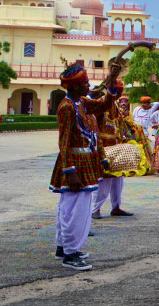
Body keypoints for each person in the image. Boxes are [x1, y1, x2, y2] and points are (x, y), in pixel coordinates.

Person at [50, 62, 121, 271]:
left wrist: (112, 80)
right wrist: (69, 171)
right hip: (75, 164)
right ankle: (70, 254)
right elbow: (63, 142)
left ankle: (65, 247)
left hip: (83, 162)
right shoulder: (67, 107)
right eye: (85, 83)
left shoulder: (80, 103)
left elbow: (103, 105)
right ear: (73, 87)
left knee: (70, 207)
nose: (89, 86)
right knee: (75, 210)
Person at [91, 79, 139, 220]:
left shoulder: (116, 106)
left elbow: (120, 125)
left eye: (119, 93)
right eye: (116, 93)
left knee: (119, 178)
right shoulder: (100, 104)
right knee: (104, 180)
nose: (118, 96)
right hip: (104, 147)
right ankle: (95, 209)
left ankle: (116, 207)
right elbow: (94, 127)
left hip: (116, 146)